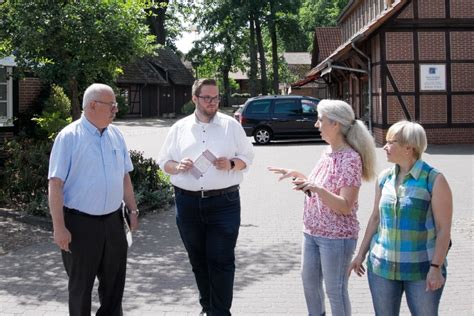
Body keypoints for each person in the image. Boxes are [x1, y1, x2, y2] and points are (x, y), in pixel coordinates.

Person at [268, 99, 376, 316]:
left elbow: (345, 206)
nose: (317, 124)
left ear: (335, 124)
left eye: (320, 120)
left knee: (335, 290)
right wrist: (299, 175)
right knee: (309, 284)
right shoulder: (327, 152)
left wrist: (316, 189)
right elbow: (322, 187)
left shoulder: (350, 159)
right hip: (312, 232)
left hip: (336, 237)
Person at [158, 78, 254, 316]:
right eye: (207, 98)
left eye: (216, 98)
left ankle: (220, 312)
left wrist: (231, 163)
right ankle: (207, 307)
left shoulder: (231, 126)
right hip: (187, 203)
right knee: (198, 260)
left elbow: (248, 158)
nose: (213, 103)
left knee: (221, 260)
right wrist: (178, 166)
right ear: (194, 99)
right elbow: (164, 163)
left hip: (224, 203)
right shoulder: (179, 128)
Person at [48, 83, 139, 316]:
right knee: (80, 288)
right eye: (112, 105)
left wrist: (133, 209)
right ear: (92, 106)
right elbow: (55, 185)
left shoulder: (116, 134)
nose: (116, 109)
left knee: (114, 287)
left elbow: (124, 176)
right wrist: (59, 228)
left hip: (113, 223)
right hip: (80, 226)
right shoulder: (69, 137)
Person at [348, 120, 453, 316]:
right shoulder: (384, 178)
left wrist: (436, 267)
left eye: (390, 142)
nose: (385, 147)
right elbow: (375, 219)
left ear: (408, 147)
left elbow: (443, 228)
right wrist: (361, 255)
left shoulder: (434, 179)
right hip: (382, 267)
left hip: (422, 269)